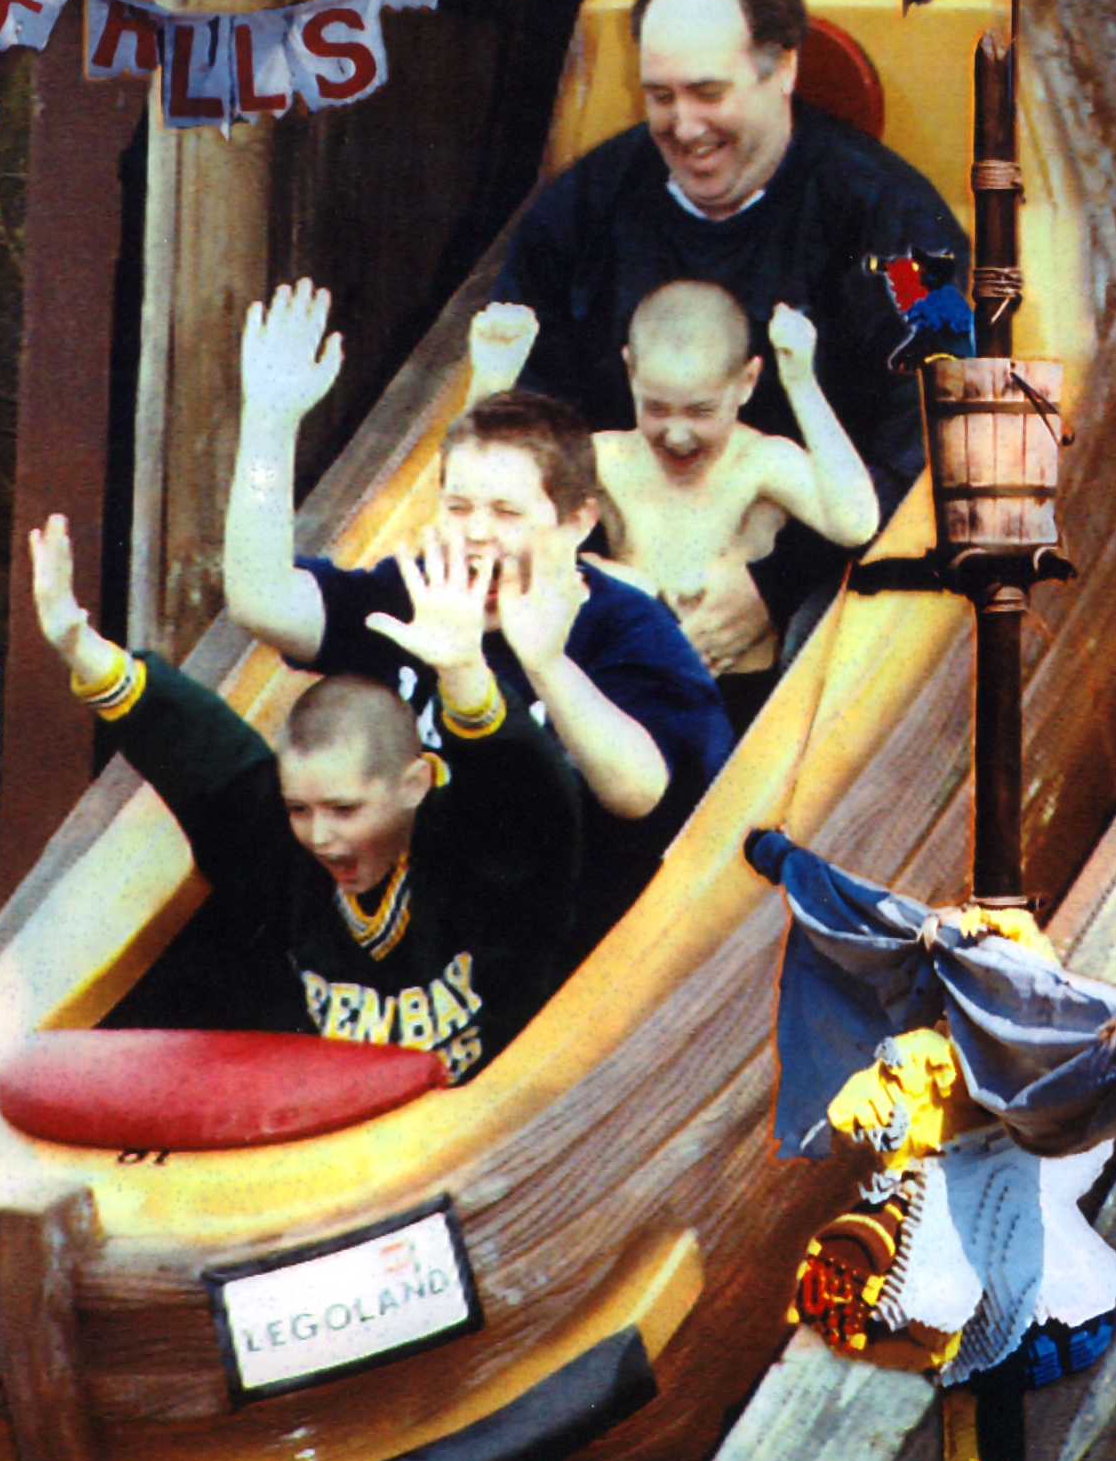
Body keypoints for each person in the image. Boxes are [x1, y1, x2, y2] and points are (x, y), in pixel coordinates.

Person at [223, 281, 734, 967]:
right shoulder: (412, 592)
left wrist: (548, 665)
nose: (476, 534)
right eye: (459, 507)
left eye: (506, 512)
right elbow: (261, 599)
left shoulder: (628, 628)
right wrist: (269, 424)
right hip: (417, 956)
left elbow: (641, 791)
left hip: (567, 962)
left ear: (577, 520)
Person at [491, 0, 972, 672]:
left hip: (819, 583)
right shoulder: (576, 214)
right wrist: (595, 580)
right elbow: (522, 422)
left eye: (708, 93)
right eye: (660, 96)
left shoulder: (901, 226)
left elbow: (937, 429)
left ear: (783, 70)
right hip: (603, 583)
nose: (685, 127)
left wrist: (772, 587)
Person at [29, 513, 581, 1082]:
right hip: (328, 1122)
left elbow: (524, 796)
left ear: (414, 785)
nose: (320, 836)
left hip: (494, 1114)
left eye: (345, 810)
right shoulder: (283, 848)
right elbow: (198, 747)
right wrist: (79, 645)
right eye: (300, 809)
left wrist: (464, 674)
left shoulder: (478, 851)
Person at [591, 283, 879, 732]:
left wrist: (801, 383)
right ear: (630, 372)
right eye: (656, 408)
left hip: (740, 697)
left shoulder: (759, 461)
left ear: (746, 382)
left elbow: (855, 523)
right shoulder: (605, 459)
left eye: (701, 411)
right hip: (631, 697)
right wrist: (597, 572)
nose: (677, 435)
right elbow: (498, 503)